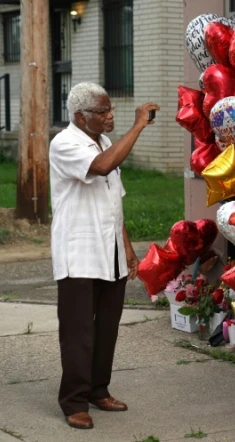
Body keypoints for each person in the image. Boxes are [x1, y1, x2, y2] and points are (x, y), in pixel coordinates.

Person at [49, 82, 159, 429]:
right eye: (103, 111)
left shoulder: (105, 142)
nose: (110, 115)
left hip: (109, 250)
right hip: (79, 252)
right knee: (79, 331)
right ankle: (73, 401)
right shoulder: (65, 143)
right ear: (81, 117)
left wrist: (127, 247)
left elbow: (114, 200)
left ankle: (98, 389)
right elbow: (101, 167)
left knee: (107, 327)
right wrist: (138, 125)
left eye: (110, 109)